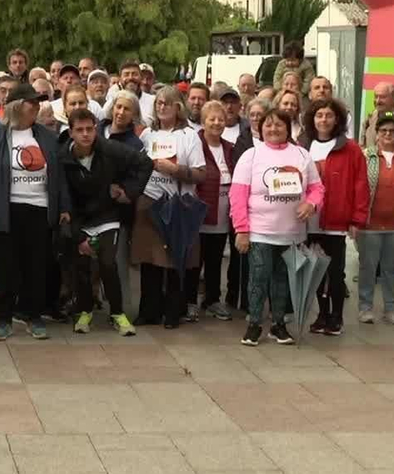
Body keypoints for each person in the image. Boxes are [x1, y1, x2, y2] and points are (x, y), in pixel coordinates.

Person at [0, 83, 70, 340]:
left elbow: (59, 175)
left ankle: (33, 315)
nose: (37, 106)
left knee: (37, 265)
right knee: (7, 266)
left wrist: (63, 207)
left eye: (38, 102)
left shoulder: (47, 137)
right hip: (7, 210)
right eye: (32, 102)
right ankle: (4, 316)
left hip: (40, 209)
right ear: (17, 106)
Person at [230, 107, 321, 346]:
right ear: (260, 129)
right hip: (260, 232)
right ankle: (254, 324)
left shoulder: (301, 155)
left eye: (279, 124)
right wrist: (241, 229)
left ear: (288, 128)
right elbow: (237, 195)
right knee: (258, 278)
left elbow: (316, 188)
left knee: (283, 280)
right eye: (268, 124)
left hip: (292, 233)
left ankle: (278, 324)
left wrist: (311, 204)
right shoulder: (251, 156)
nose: (273, 129)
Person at [62, 108, 151, 335]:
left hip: (107, 214)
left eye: (89, 129)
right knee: (82, 265)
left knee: (108, 262)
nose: (85, 134)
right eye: (79, 130)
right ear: (71, 132)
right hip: (79, 217)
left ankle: (117, 313)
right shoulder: (63, 158)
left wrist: (127, 191)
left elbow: (144, 163)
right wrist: (78, 236)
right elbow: (64, 199)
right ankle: (84, 311)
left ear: (96, 130)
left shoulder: (109, 149)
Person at [134, 86, 205, 329]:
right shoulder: (147, 135)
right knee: (149, 260)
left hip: (178, 204)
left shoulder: (189, 135)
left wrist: (176, 170)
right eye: (158, 103)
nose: (161, 107)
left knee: (175, 260)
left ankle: (173, 312)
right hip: (149, 200)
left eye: (166, 103)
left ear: (178, 107)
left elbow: (201, 173)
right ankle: (149, 311)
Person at [304, 98, 366, 336]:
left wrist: (357, 219)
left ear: (337, 119)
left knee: (335, 272)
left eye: (329, 115)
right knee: (315, 271)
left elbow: (361, 185)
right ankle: (321, 314)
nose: (324, 120)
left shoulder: (351, 149)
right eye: (319, 115)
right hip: (309, 220)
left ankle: (336, 316)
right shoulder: (303, 145)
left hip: (336, 221)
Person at [358, 114, 394, 325]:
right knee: (368, 267)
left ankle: (391, 309)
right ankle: (365, 308)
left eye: (392, 131)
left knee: (391, 269)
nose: (388, 134)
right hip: (369, 224)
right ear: (376, 134)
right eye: (383, 130)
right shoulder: (365, 156)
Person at [192, 102, 237, 320]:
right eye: (212, 119)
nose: (217, 123)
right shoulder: (195, 144)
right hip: (201, 213)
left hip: (223, 215)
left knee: (215, 260)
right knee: (195, 261)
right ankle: (189, 301)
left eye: (221, 119)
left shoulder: (230, 148)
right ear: (203, 121)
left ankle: (212, 300)